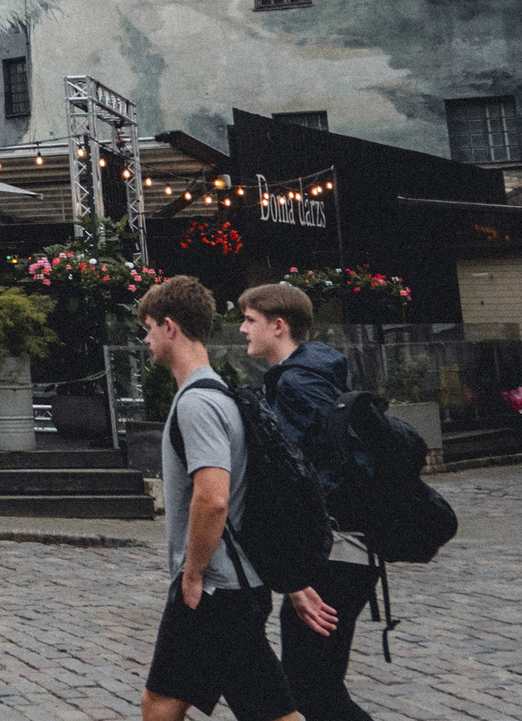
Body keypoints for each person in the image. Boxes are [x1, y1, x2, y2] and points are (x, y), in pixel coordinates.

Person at [139, 274, 323, 721]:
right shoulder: (220, 394)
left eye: (147, 329)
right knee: (261, 708)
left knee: (162, 704)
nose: (145, 341)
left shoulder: (196, 404)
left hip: (215, 587)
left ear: (170, 326)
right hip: (237, 584)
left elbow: (214, 498)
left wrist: (192, 572)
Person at [239, 283, 375, 721]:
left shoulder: (298, 384)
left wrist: (299, 559)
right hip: (346, 548)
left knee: (313, 691)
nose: (242, 329)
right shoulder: (313, 374)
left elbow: (303, 476)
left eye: (250, 320)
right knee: (312, 687)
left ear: (278, 326)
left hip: (332, 552)